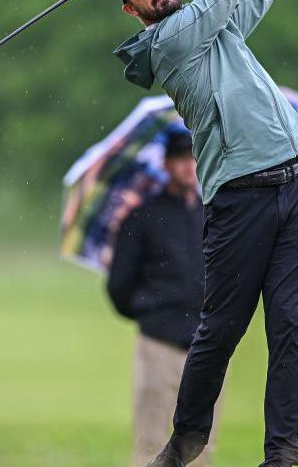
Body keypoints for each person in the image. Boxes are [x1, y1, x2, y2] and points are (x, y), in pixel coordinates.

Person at [111, 0, 298, 467]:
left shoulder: (215, 27)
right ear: (131, 8)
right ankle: (184, 444)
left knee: (293, 327)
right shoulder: (169, 42)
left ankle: (282, 453)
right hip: (239, 197)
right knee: (221, 332)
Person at [107, 131, 223, 467]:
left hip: (209, 347)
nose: (189, 166)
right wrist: (153, 313)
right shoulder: (141, 217)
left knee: (202, 449)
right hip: (159, 345)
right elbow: (119, 287)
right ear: (167, 164)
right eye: (181, 159)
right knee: (152, 442)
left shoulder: (216, 216)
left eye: (194, 158)